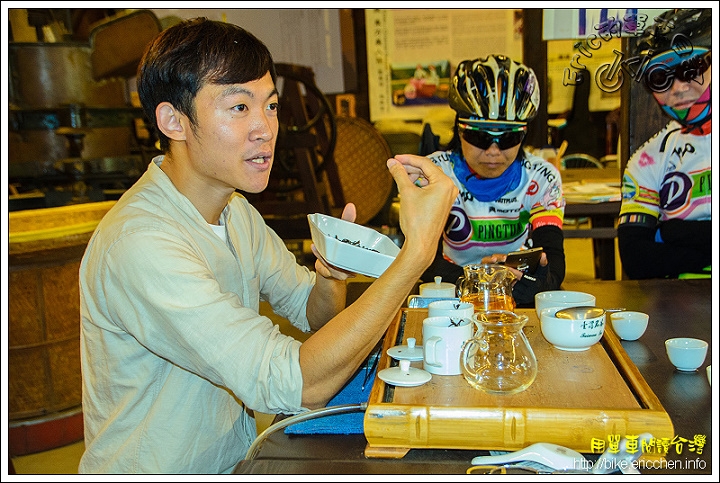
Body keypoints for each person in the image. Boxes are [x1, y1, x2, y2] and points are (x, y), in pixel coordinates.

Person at [77, 18, 458, 474]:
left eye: (271, 106)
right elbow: (301, 381)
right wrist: (416, 254)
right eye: (239, 107)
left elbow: (315, 314)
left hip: (232, 462)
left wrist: (330, 270)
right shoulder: (140, 245)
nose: (265, 128)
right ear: (173, 120)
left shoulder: (235, 211)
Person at [421, 54, 566, 307]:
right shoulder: (432, 174)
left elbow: (553, 263)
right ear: (458, 130)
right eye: (479, 137)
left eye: (509, 138)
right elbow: (423, 260)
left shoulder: (542, 178)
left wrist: (537, 280)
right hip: (451, 295)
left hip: (513, 291)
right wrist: (485, 284)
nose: (493, 151)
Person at [617, 8, 712, 279]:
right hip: (683, 309)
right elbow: (636, 259)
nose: (678, 87)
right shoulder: (648, 158)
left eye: (690, 69)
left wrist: (673, 233)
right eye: (661, 78)